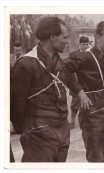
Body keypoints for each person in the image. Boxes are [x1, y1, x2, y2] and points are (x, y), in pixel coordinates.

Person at [10, 16, 70, 162]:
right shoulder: (26, 63)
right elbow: (16, 104)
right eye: (64, 37)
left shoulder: (58, 61)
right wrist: (26, 129)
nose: (67, 41)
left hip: (62, 129)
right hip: (39, 132)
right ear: (52, 37)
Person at [64, 21, 104, 162]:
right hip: (92, 112)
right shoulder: (86, 56)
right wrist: (79, 92)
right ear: (98, 37)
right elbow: (65, 69)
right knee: (96, 158)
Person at [69, 36, 89, 129]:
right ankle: (72, 121)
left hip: (87, 82)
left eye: (86, 44)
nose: (85, 46)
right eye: (83, 44)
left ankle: (86, 121)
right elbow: (69, 69)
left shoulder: (90, 54)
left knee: (87, 102)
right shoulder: (73, 54)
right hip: (76, 81)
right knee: (75, 103)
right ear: (79, 44)